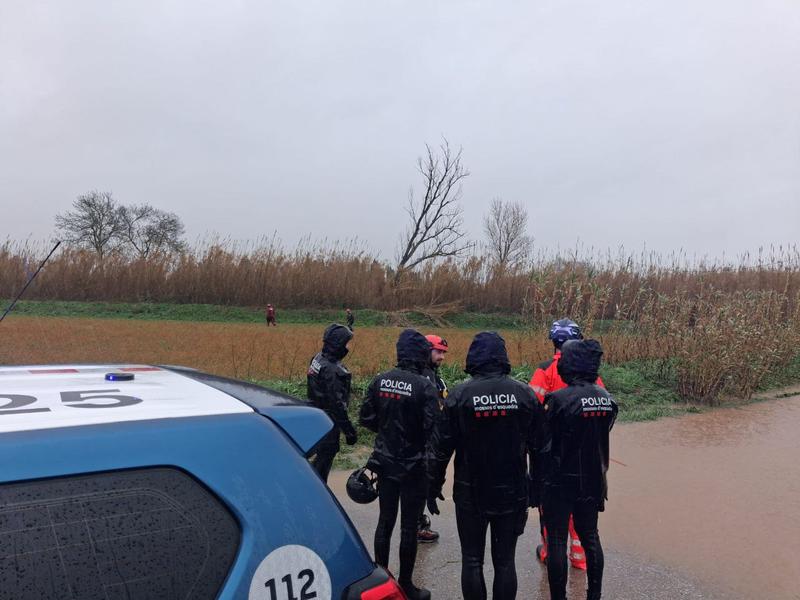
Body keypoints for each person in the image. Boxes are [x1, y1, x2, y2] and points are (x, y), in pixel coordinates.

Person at [428, 331, 540, 600]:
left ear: (474, 357)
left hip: (471, 492)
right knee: (505, 563)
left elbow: (441, 448)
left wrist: (432, 485)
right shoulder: (524, 394)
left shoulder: (459, 395)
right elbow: (541, 447)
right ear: (503, 357)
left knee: (472, 560)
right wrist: (536, 488)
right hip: (512, 491)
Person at [359, 329, 440, 600]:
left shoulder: (380, 380)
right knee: (408, 527)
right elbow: (433, 428)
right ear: (419, 354)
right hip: (414, 466)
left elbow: (366, 418)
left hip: (385, 461)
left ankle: (382, 577)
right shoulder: (424, 385)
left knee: (385, 521)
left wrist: (388, 431)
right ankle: (406, 584)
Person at [537, 339, 617, 600]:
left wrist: (535, 481)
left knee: (558, 539)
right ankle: (595, 594)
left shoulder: (558, 400)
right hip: (594, 480)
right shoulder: (607, 400)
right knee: (591, 537)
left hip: (560, 481)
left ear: (570, 366)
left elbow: (544, 443)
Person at [529, 318, 605, 569]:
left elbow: (532, 409)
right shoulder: (591, 375)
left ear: (553, 341)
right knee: (584, 519)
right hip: (587, 457)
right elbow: (602, 411)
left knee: (550, 513)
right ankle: (580, 560)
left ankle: (550, 553)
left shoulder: (544, 370)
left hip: (551, 454)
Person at [306, 324, 358, 482]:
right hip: (328, 422)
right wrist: (349, 431)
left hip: (314, 414)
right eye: (347, 343)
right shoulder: (334, 371)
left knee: (317, 456)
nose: (349, 347)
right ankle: (316, 496)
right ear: (338, 344)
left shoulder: (318, 358)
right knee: (324, 460)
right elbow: (338, 405)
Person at [416, 334, 449, 544]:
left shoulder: (432, 374)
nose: (442, 356)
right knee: (419, 483)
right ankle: (417, 527)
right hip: (423, 439)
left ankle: (417, 523)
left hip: (429, 437)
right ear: (426, 350)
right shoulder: (423, 375)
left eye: (444, 353)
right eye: (438, 352)